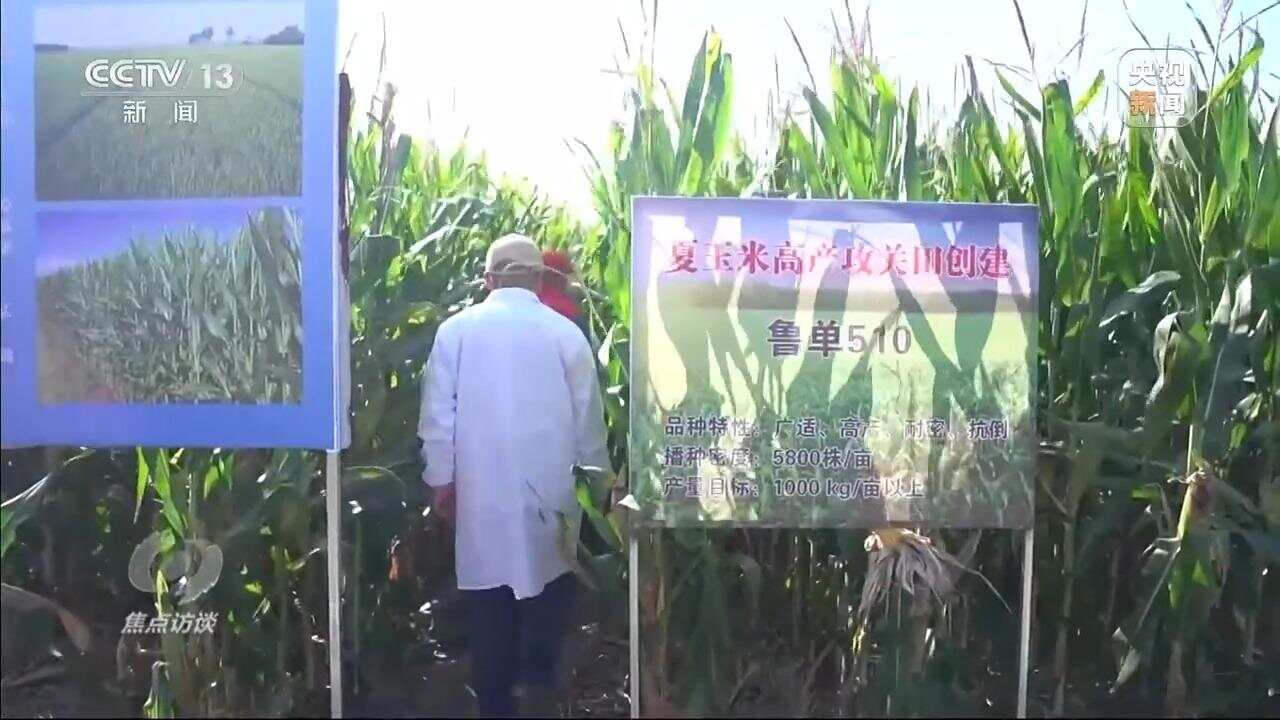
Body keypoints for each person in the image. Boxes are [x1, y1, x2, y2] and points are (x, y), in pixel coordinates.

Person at [418, 233, 610, 718]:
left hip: (482, 496)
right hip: (554, 497)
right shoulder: (565, 334)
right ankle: (540, 696)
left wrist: (441, 481)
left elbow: (437, 418)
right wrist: (600, 485)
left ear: (488, 280)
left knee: (489, 603)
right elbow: (589, 424)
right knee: (550, 593)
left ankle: (495, 704)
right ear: (540, 278)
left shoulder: (456, 332)